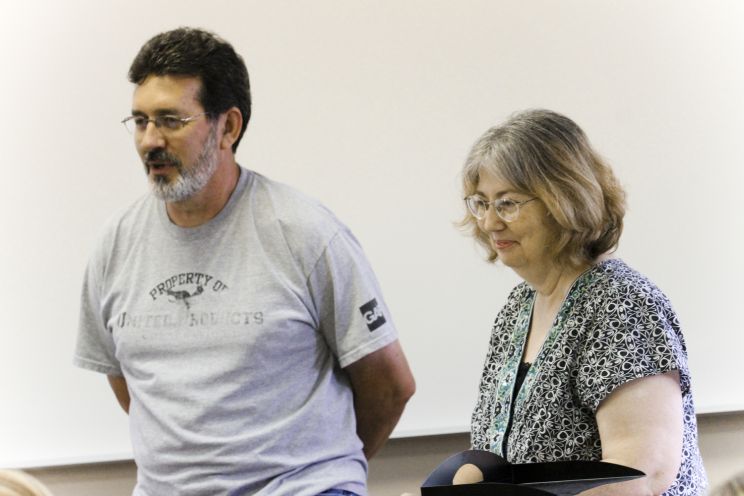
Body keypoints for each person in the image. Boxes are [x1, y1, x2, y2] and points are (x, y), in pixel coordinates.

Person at [73, 27, 415, 496]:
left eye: (170, 120)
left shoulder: (305, 232)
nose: (150, 140)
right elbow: (129, 384)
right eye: (140, 121)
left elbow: (390, 386)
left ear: (228, 127)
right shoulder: (115, 245)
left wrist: (324, 467)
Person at [458, 109, 707, 495]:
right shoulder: (518, 306)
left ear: (563, 200)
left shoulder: (621, 306)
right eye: (481, 203)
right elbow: (494, 457)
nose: (490, 223)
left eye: (507, 203)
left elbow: (641, 474)